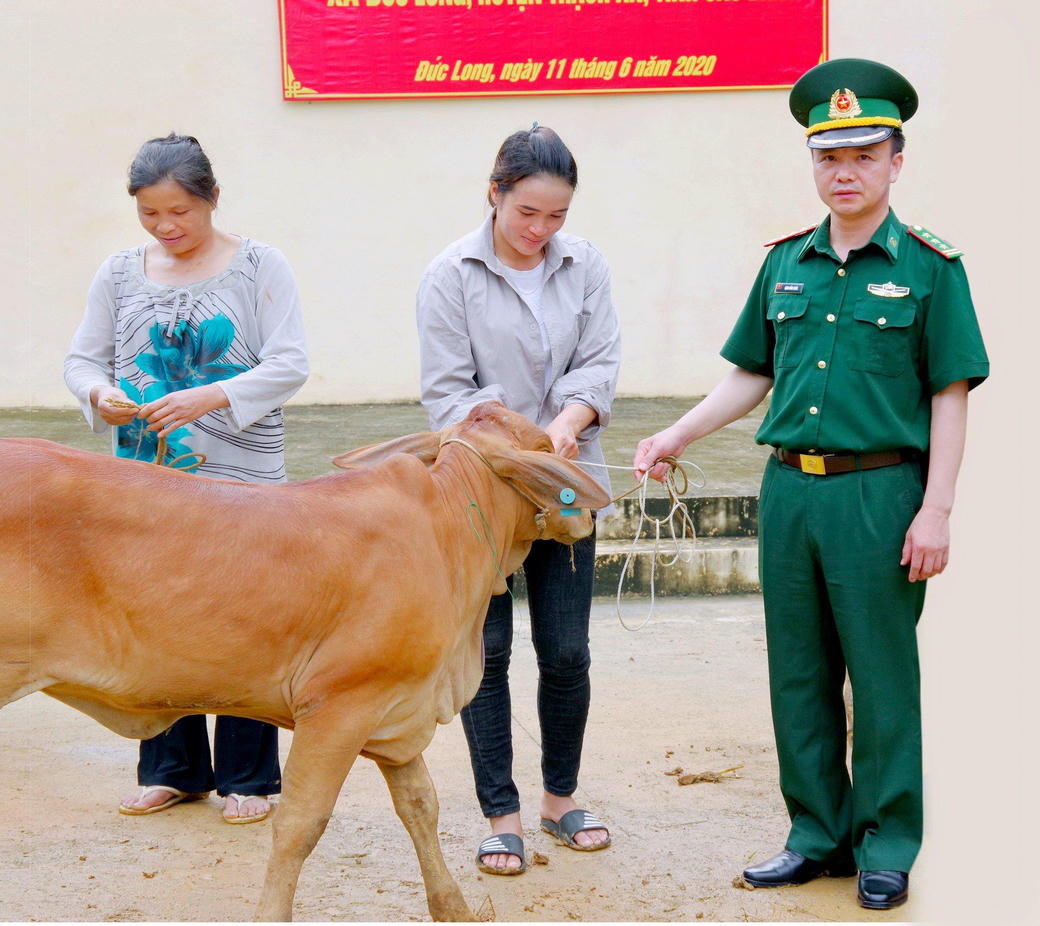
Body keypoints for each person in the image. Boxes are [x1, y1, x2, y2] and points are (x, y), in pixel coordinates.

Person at [634, 59, 989, 910]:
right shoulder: (784, 264)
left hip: (880, 496)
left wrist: (936, 508)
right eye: (829, 158)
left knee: (881, 674)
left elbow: (948, 396)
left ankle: (888, 842)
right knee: (798, 673)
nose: (845, 174)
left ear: (895, 162)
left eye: (864, 156)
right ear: (814, 165)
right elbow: (750, 375)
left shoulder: (933, 268)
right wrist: (676, 432)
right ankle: (815, 835)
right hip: (790, 492)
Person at [64, 133, 310, 823]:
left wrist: (214, 395)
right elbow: (82, 361)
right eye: (151, 215)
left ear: (212, 199)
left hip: (242, 481)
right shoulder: (118, 274)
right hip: (148, 484)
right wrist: (97, 396)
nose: (167, 228)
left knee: (245, 621)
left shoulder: (260, 265)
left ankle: (249, 778)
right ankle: (171, 768)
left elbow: (289, 363)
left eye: (181, 212)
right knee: (158, 618)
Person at [416, 125, 622, 875]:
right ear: (494, 193)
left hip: (569, 487)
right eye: (526, 212)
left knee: (567, 652)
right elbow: (446, 391)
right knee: (489, 650)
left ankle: (560, 799)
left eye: (556, 216)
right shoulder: (449, 275)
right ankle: (500, 812)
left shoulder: (586, 265)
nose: (540, 231)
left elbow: (599, 361)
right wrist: (517, 441)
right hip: (480, 492)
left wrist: (567, 422)